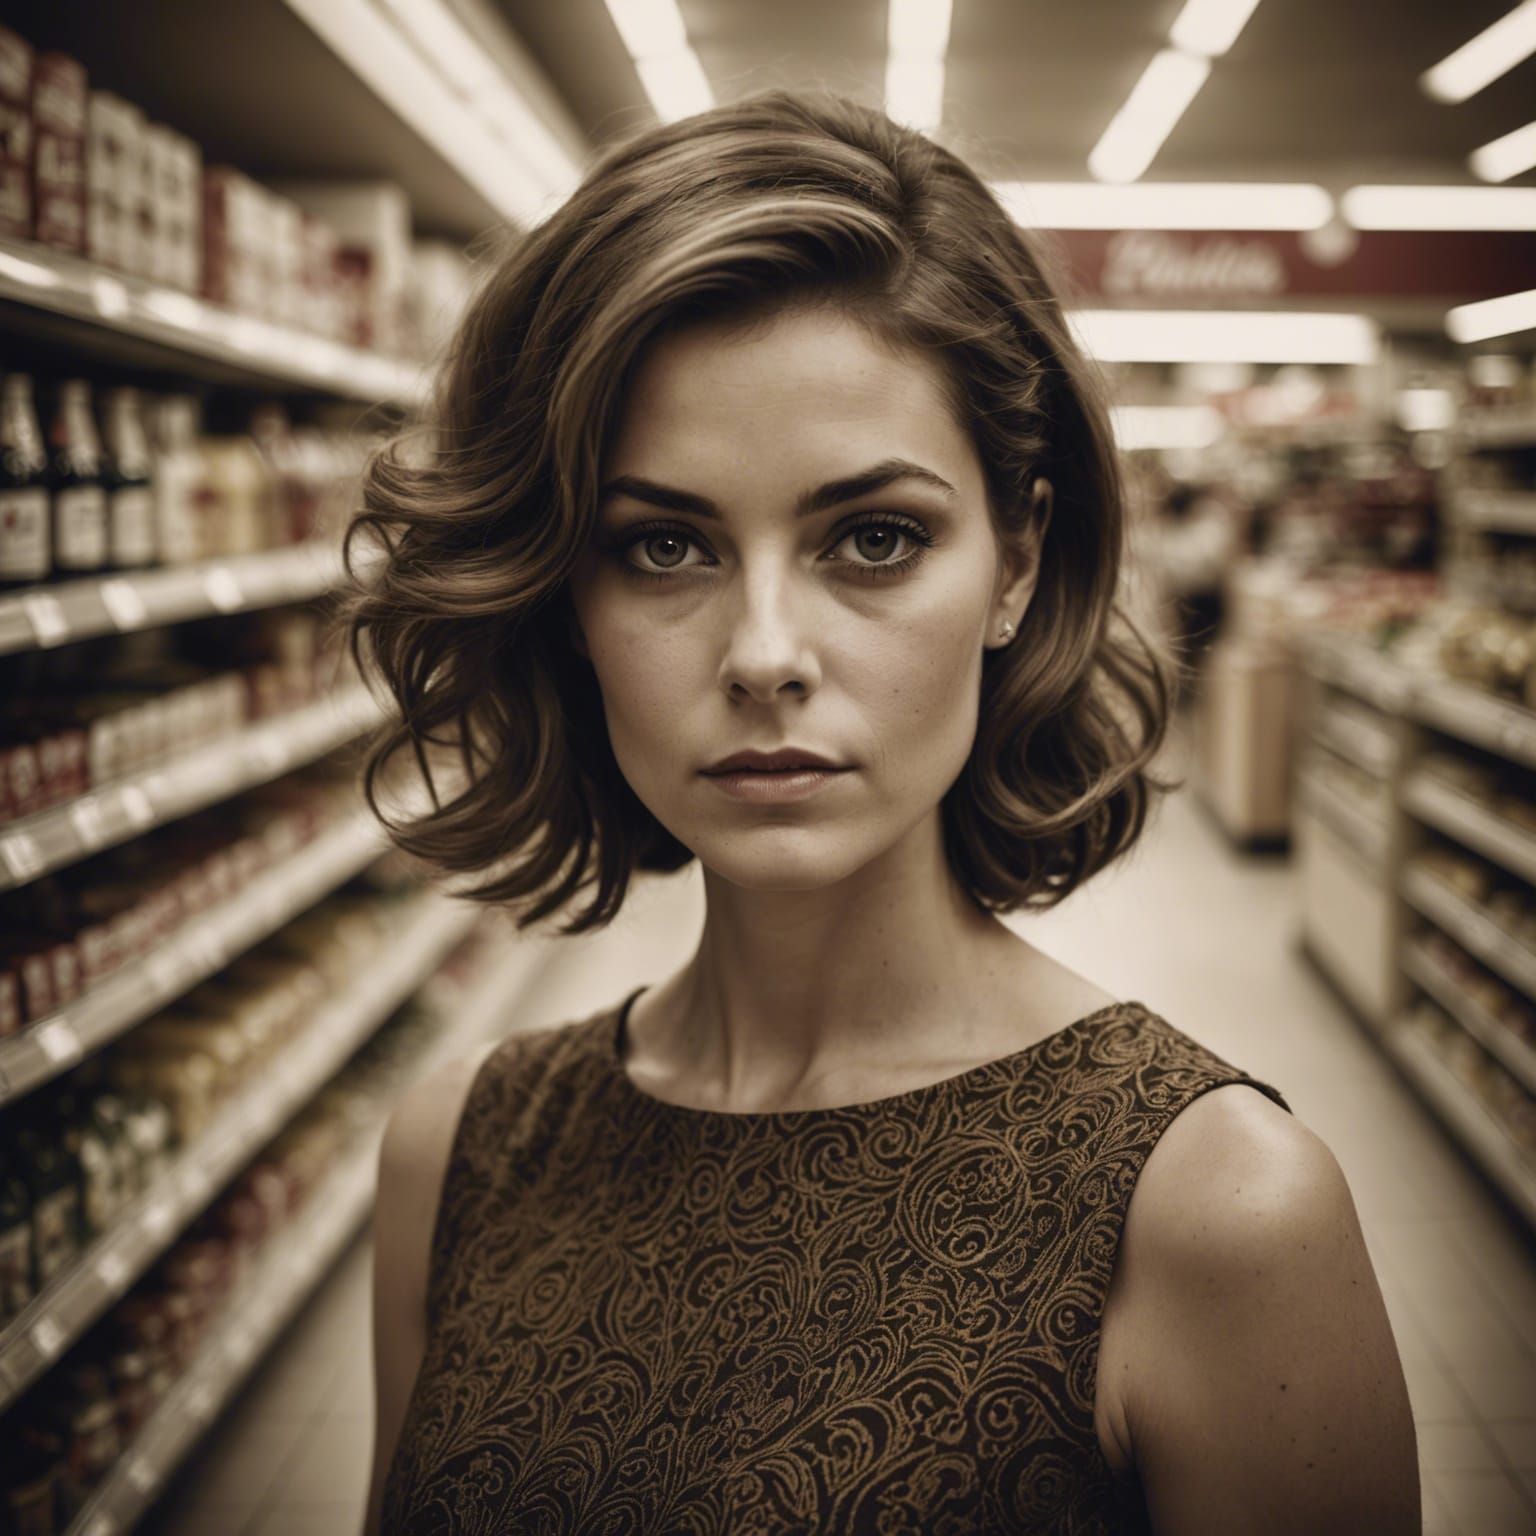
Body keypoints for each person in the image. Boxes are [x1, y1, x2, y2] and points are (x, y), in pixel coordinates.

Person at [345, 90, 1418, 1535]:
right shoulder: (461, 1152)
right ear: (564, 595)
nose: (766, 652)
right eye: (664, 544)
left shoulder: (1217, 1212)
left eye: (875, 538)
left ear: (1018, 563)